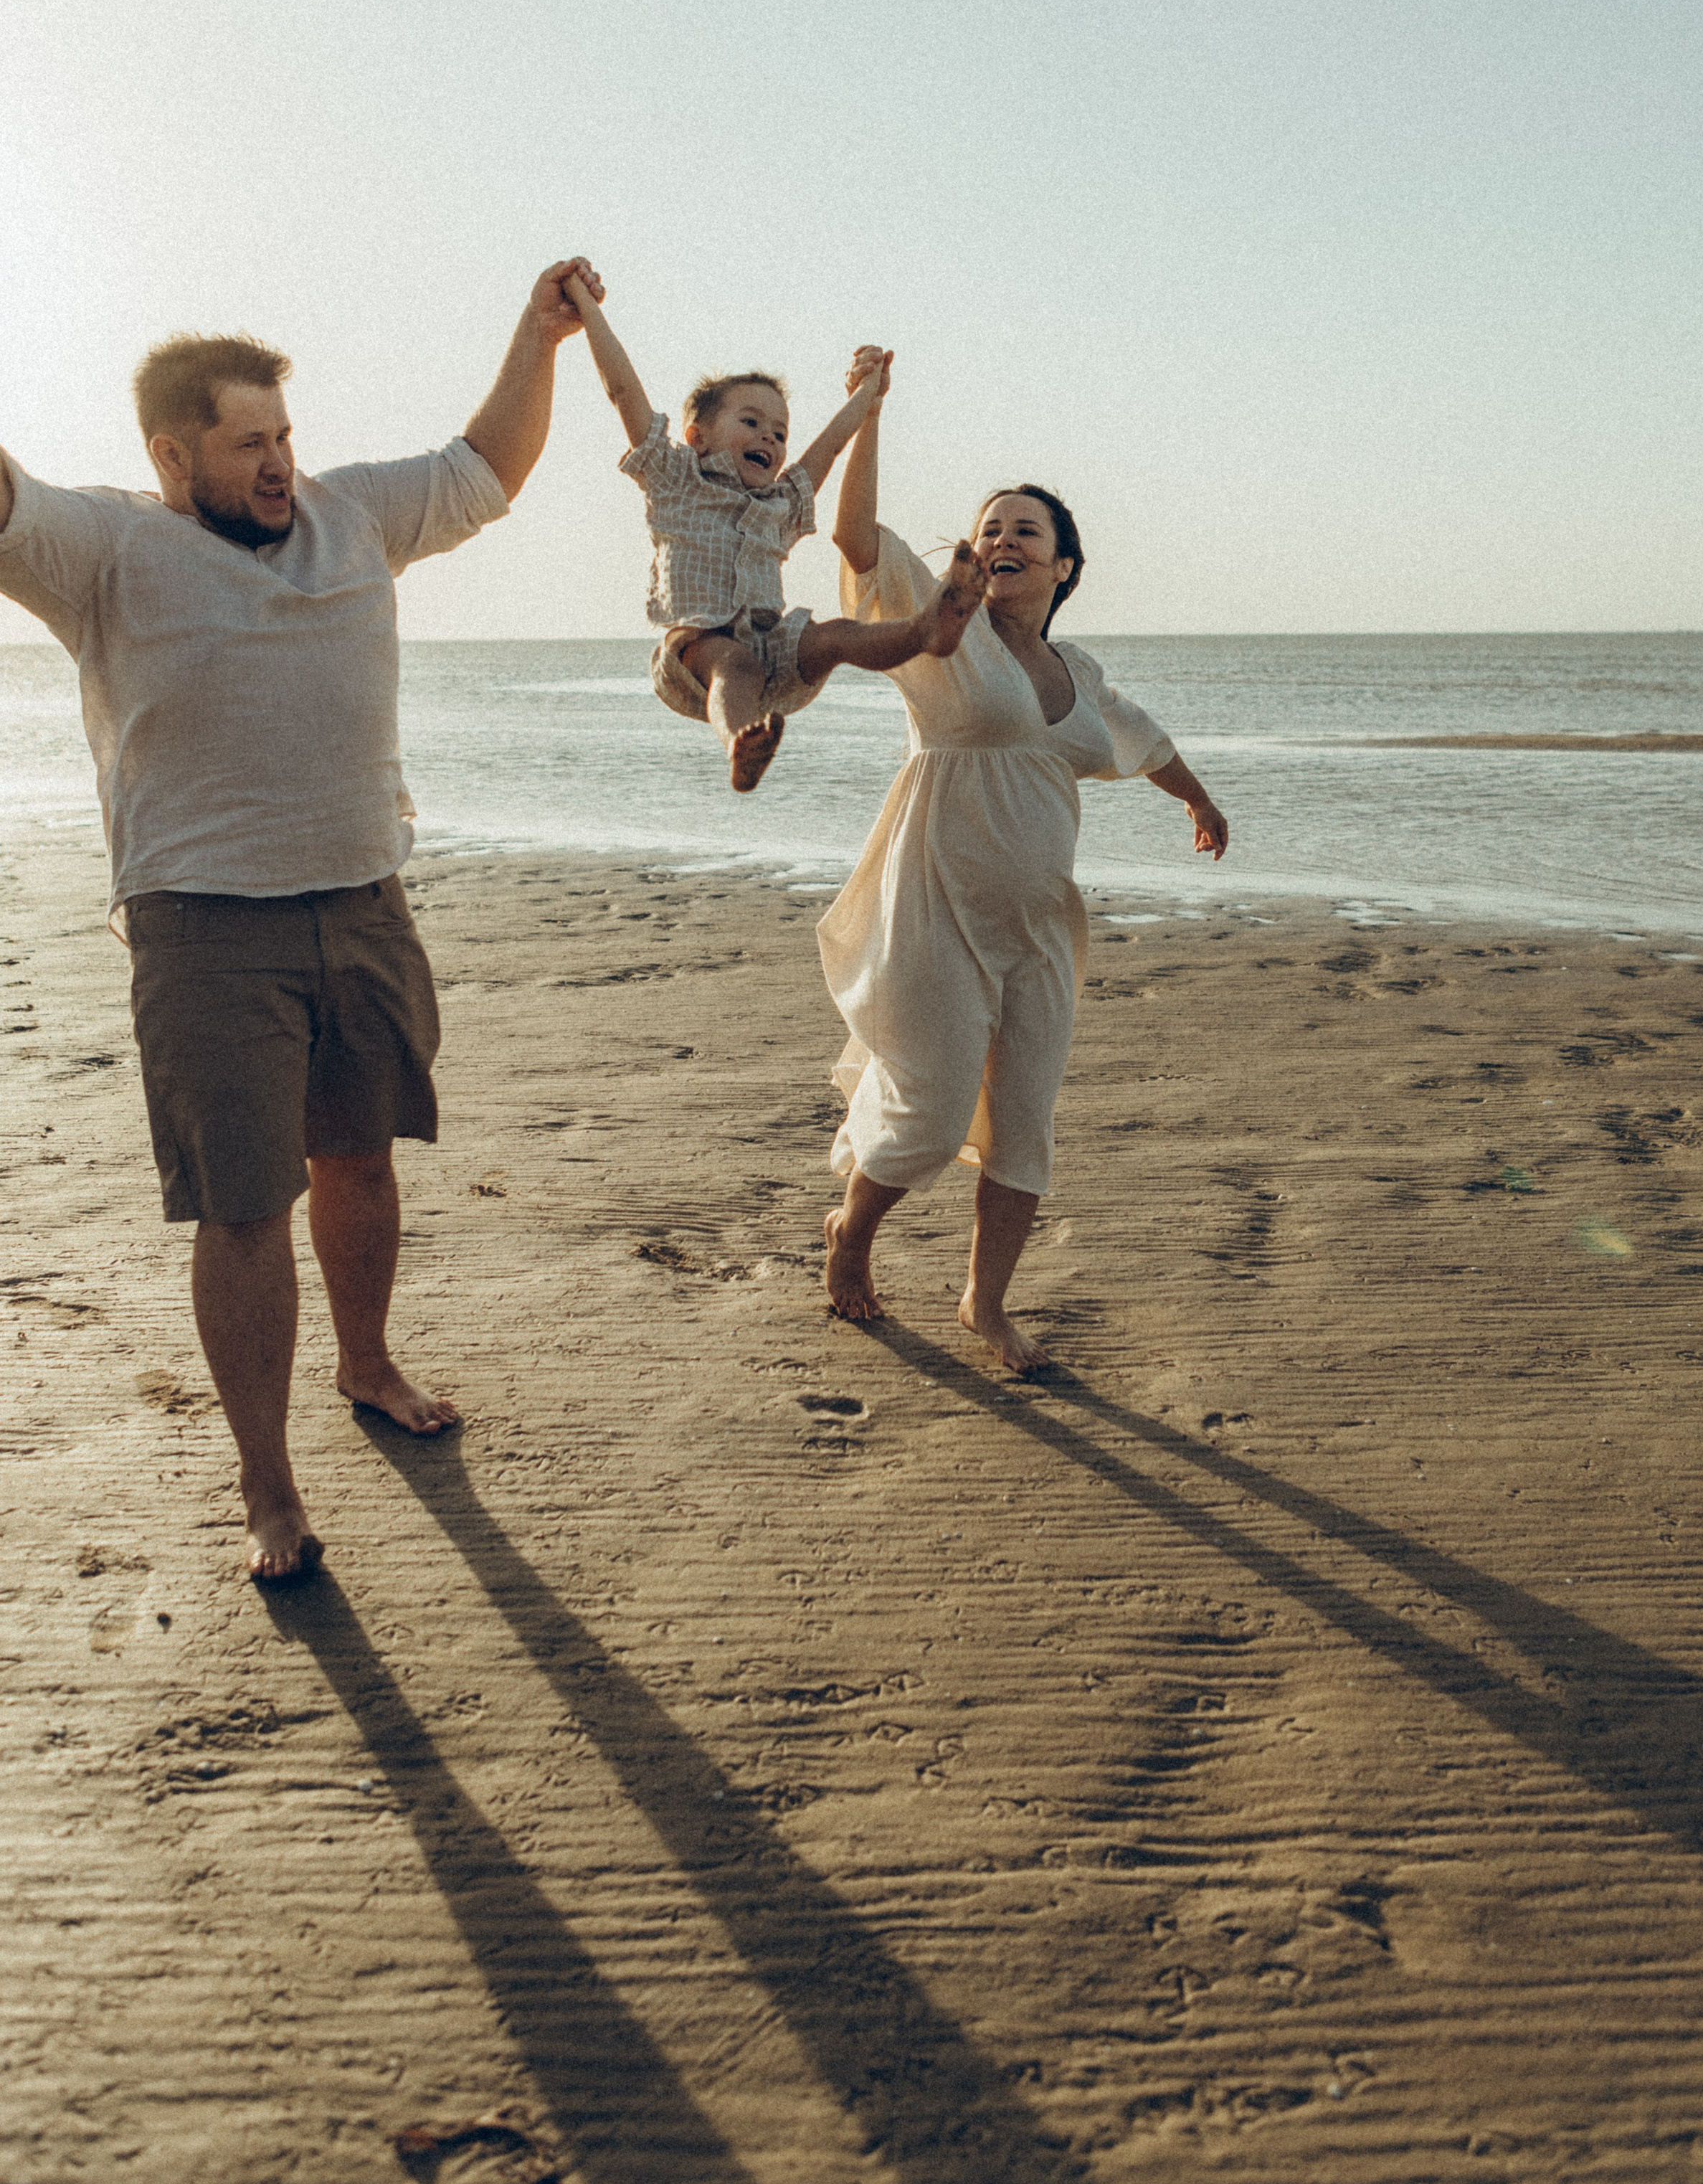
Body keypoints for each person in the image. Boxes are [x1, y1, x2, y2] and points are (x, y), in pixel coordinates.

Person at [0, 257, 603, 1580]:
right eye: (247, 442)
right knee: (241, 1206)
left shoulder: (353, 514)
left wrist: (538, 335)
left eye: (284, 435)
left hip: (364, 904)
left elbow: (487, 467)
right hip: (206, 931)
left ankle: (369, 1361)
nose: (278, 464)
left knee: (365, 1159)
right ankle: (268, 1487)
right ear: (173, 455)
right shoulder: (103, 547)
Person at [817, 398, 1230, 1374]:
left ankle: (984, 1305)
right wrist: (870, 411)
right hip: (936, 911)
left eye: (1024, 529)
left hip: (1040, 927)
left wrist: (1198, 802)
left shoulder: (1078, 670)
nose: (1001, 538)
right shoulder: (944, 634)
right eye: (988, 527)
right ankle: (851, 1233)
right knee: (929, 1109)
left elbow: (1141, 738)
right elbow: (853, 537)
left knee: (1025, 1127)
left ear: (1063, 566)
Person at [564, 281, 985, 787]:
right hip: (696, 653)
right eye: (752, 421)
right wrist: (586, 307)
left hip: (774, 651)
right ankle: (741, 747)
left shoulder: (781, 505)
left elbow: (828, 447)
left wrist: (868, 394)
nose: (771, 437)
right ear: (698, 437)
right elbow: (623, 390)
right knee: (733, 664)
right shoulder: (675, 479)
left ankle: (926, 631)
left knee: (837, 636)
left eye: (781, 433)